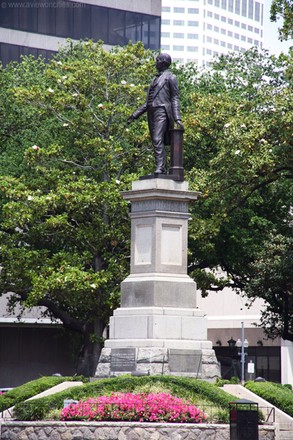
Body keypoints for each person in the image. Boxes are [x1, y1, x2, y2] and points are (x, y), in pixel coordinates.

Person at [127, 53, 184, 175]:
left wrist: (177, 118)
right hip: (152, 112)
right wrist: (135, 115)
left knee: (158, 138)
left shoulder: (170, 78)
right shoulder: (154, 79)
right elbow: (148, 102)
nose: (155, 62)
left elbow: (175, 98)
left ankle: (160, 167)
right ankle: (160, 166)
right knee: (155, 140)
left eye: (157, 60)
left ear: (163, 62)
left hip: (162, 110)